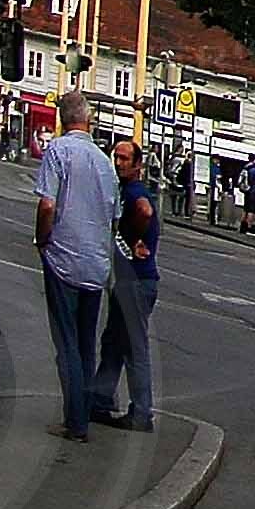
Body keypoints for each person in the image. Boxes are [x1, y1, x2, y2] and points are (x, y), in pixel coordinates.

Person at [29, 95, 118, 442]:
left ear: (62, 119)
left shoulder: (59, 151)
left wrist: (42, 240)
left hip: (63, 259)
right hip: (95, 264)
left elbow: (47, 205)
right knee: (85, 343)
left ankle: (75, 422)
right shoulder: (105, 162)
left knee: (66, 343)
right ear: (88, 120)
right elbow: (113, 216)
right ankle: (83, 414)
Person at [103, 134, 163, 430]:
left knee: (134, 349)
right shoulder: (126, 190)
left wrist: (131, 236)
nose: (118, 163)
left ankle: (141, 413)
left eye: (125, 159)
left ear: (138, 165)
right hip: (131, 282)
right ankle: (100, 399)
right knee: (113, 342)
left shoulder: (135, 191)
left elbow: (144, 211)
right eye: (116, 157)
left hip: (137, 282)